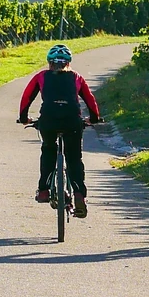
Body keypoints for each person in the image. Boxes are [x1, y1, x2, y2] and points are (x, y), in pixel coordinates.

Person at [18, 43, 101, 217]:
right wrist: (93, 119)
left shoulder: (41, 76)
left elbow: (26, 97)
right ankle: (79, 194)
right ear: (68, 62)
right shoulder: (76, 77)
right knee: (74, 158)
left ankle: (43, 190)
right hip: (72, 122)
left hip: (48, 120)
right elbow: (90, 101)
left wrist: (24, 117)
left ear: (49, 62)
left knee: (48, 149)